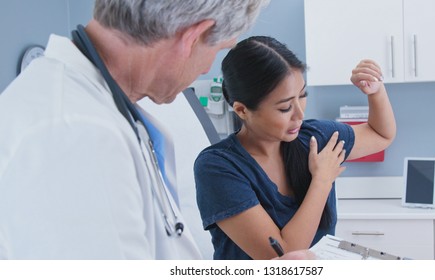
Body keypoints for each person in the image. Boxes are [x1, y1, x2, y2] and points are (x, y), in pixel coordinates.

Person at [0, 0, 272, 260]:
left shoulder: (96, 108)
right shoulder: (73, 133)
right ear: (192, 38)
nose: (206, 68)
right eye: (218, 50)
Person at [194, 36, 396, 260]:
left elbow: (380, 135)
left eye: (302, 96)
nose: (300, 114)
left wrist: (376, 92)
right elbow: (285, 258)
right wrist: (322, 180)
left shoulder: (312, 138)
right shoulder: (218, 167)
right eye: (285, 107)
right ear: (242, 110)